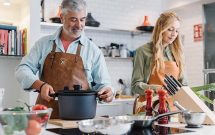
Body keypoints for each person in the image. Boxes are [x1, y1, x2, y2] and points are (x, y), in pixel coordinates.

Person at [15, 0, 114, 118]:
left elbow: (104, 84)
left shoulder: (93, 51)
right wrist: (40, 86)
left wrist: (108, 92)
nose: (79, 25)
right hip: (45, 117)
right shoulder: (43, 44)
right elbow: (22, 70)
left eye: (82, 19)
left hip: (80, 119)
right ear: (62, 17)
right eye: (73, 19)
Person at [131, 12, 188, 113]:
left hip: (173, 109)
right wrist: (156, 88)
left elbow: (184, 85)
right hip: (149, 108)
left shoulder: (178, 53)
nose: (174, 34)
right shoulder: (142, 51)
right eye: (170, 29)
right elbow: (135, 86)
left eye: (177, 30)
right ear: (160, 29)